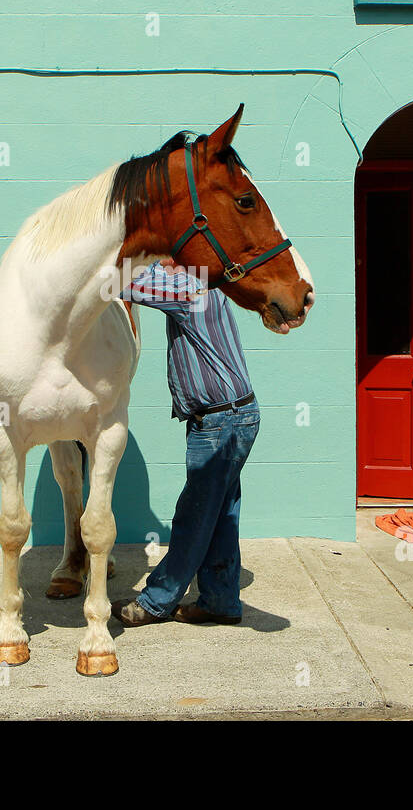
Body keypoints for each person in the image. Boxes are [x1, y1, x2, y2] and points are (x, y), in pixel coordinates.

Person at [111, 260, 261, 627]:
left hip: (220, 422)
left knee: (194, 516)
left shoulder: (187, 289)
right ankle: (220, 601)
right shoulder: (209, 285)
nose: (160, 260)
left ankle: (155, 602)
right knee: (221, 515)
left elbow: (119, 281)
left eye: (165, 254)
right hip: (234, 416)